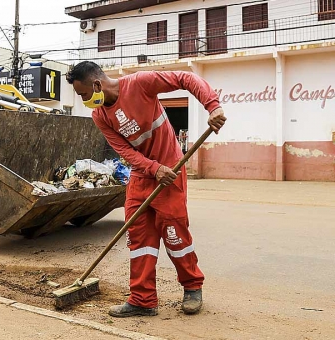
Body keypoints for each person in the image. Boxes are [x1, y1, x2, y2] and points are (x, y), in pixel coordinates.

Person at [66, 61, 226, 317]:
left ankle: (193, 287)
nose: (85, 100)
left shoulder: (140, 83)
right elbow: (125, 151)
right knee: (139, 238)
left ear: (96, 84)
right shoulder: (100, 115)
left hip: (171, 170)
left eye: (84, 94)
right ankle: (142, 299)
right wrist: (153, 169)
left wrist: (213, 106)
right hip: (143, 176)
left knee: (175, 235)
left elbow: (186, 79)